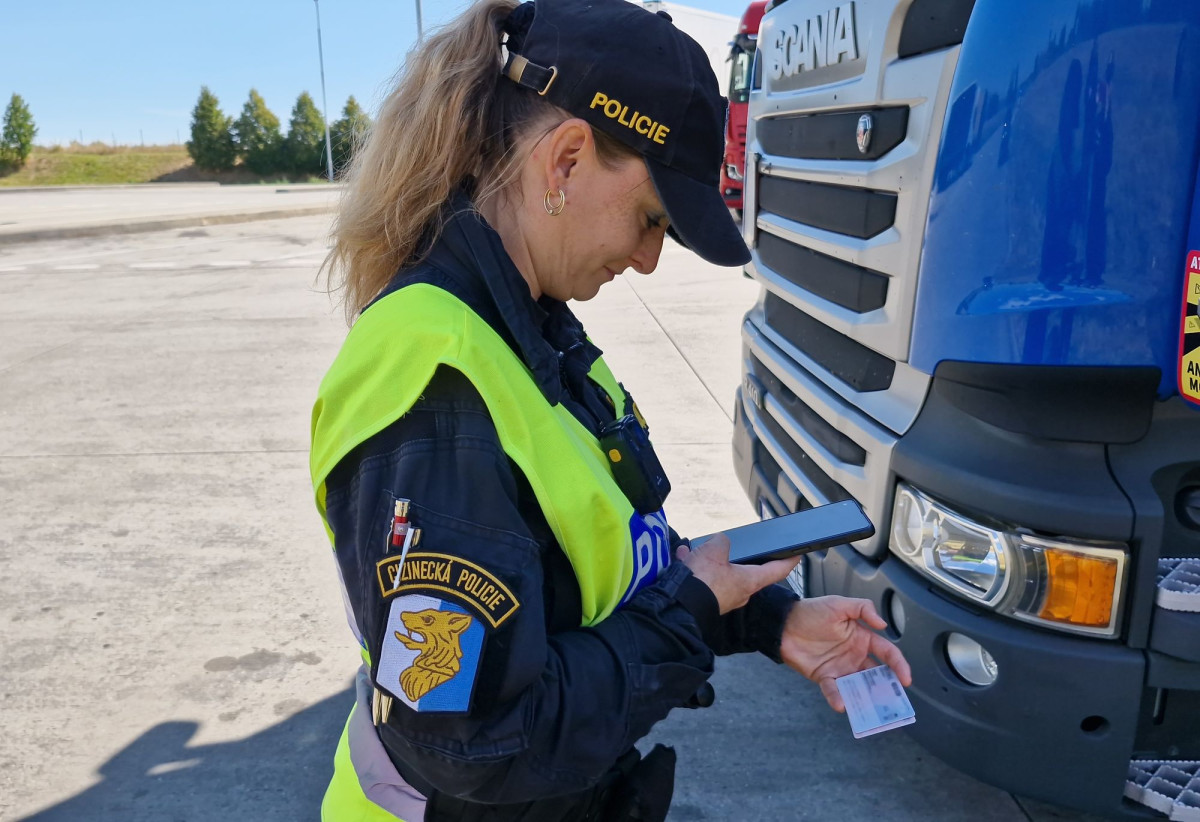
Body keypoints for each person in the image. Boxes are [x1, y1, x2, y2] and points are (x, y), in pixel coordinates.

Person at [309, 1, 912, 819]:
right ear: (565, 162)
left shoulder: (530, 331)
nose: (650, 258)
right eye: (652, 218)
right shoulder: (436, 384)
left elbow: (602, 555)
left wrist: (769, 621)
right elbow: (476, 743)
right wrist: (690, 610)